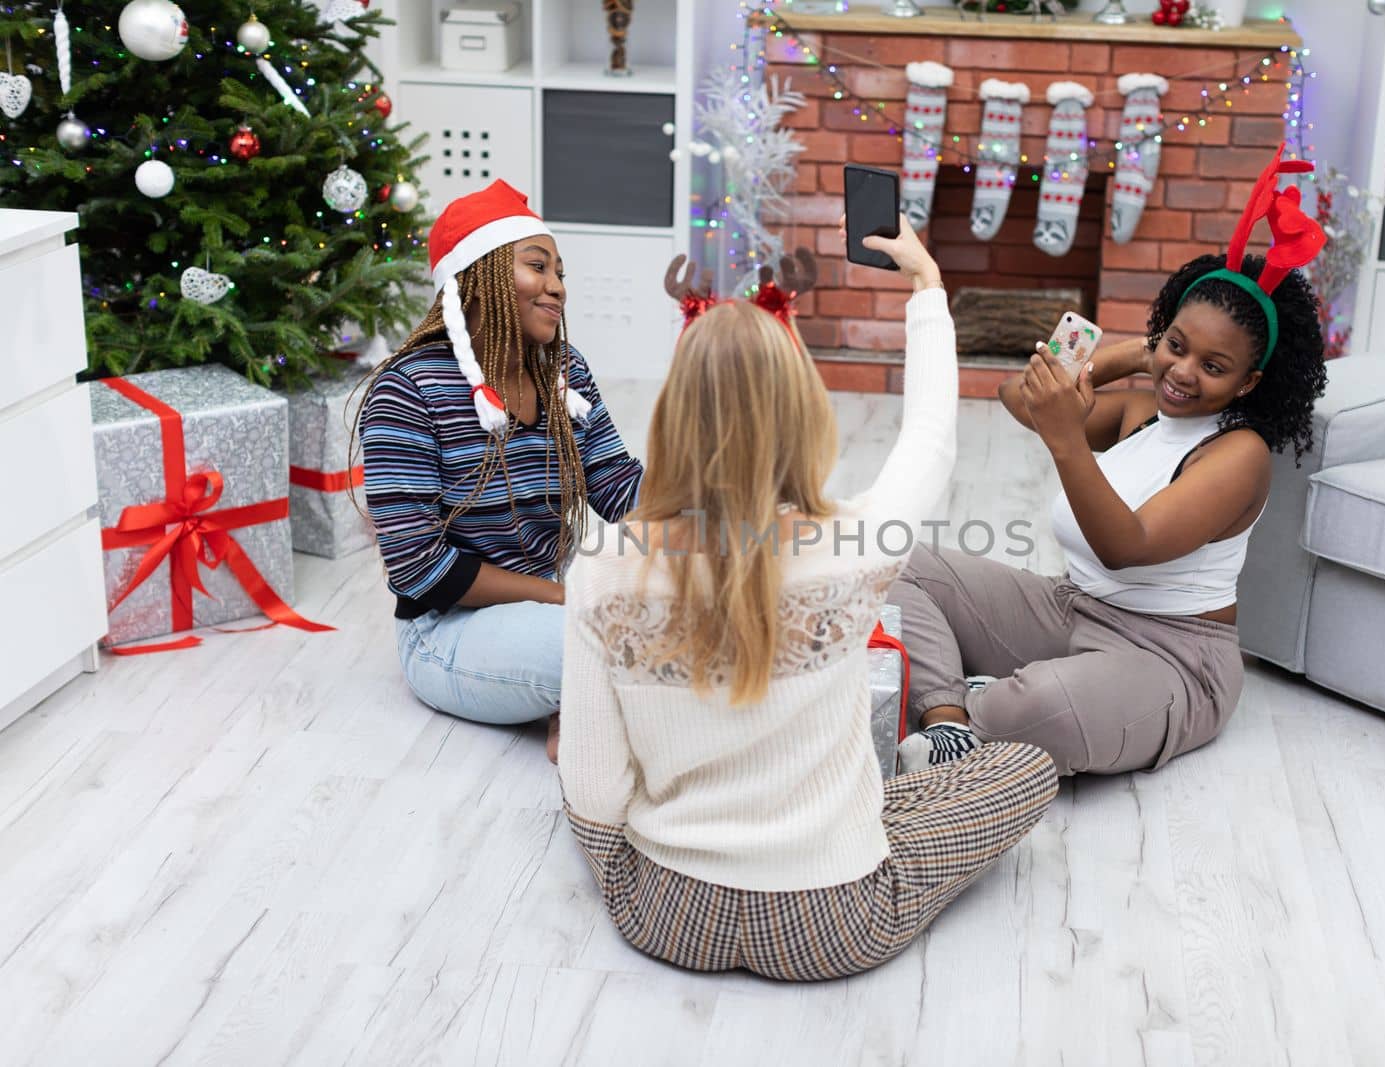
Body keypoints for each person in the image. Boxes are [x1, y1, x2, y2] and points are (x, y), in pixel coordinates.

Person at [557, 217, 1058, 982]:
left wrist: (639, 870)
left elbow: (594, 793)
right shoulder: (858, 544)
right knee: (1023, 768)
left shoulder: (602, 563)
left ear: (674, 412)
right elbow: (931, 439)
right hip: (833, 919)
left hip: (661, 911)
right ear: (802, 413)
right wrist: (927, 287)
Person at [892, 145, 1329, 777]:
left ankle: (979, 707)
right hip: (1071, 607)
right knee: (900, 560)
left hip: (1172, 655)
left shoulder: (1239, 453)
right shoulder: (1142, 410)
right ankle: (950, 723)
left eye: (1213, 366)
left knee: (1045, 704)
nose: (1183, 374)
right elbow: (1020, 399)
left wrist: (1069, 437)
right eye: (1176, 347)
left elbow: (1126, 544)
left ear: (1250, 383)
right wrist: (1127, 354)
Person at [356, 180, 643, 740]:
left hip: (546, 608)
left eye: (561, 273)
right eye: (538, 267)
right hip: (447, 631)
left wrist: (709, 502)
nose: (556, 288)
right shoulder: (408, 389)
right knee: (620, 647)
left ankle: (588, 723)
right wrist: (569, 600)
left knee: (679, 626)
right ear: (480, 276)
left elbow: (614, 484)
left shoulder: (564, 371)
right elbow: (421, 569)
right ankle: (594, 732)